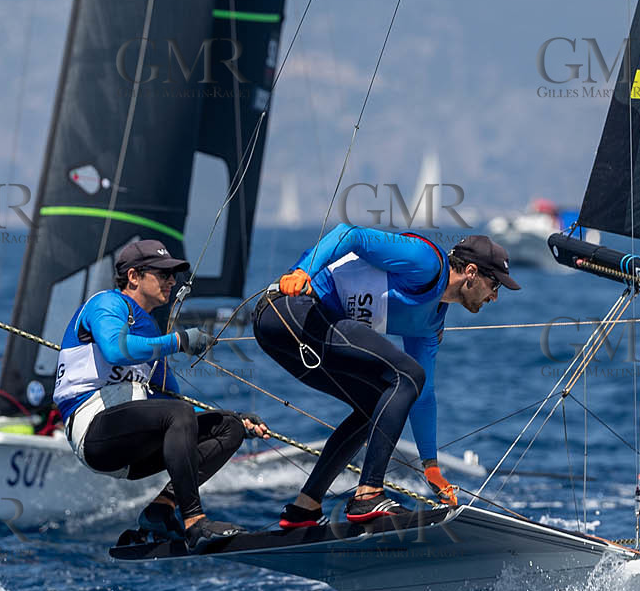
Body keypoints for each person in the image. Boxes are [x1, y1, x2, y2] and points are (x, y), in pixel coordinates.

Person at [254, 229, 517, 527]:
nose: (494, 296)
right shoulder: (426, 262)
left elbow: (423, 394)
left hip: (301, 335)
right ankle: (368, 495)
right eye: (494, 284)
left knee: (376, 401)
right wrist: (302, 270)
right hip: (286, 310)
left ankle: (306, 507)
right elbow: (350, 234)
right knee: (405, 374)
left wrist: (430, 465)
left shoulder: (430, 322)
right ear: (471, 272)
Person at [53, 239, 269, 549]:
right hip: (93, 433)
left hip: (132, 446)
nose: (172, 281)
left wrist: (235, 420)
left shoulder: (151, 331)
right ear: (133, 277)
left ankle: (160, 511)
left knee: (226, 427)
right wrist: (178, 340)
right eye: (163, 274)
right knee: (178, 415)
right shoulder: (107, 305)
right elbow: (115, 350)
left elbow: (173, 406)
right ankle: (195, 523)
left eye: (173, 275)